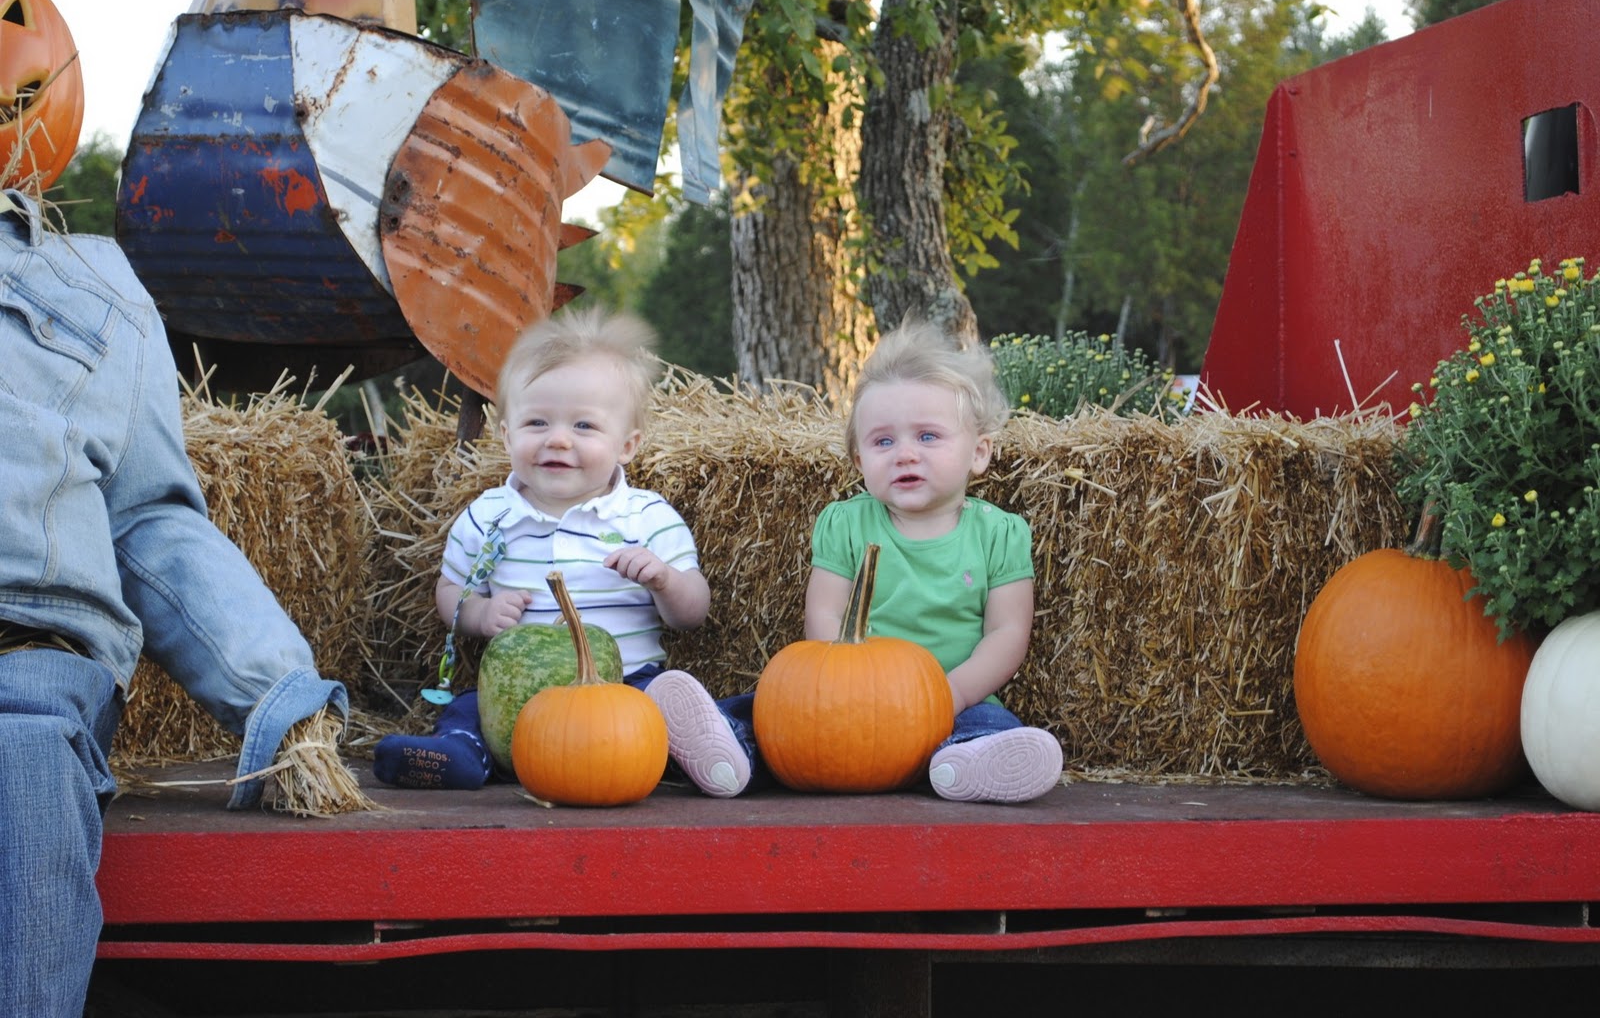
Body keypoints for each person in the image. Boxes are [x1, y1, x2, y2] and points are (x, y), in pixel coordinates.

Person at [0, 187, 352, 1018]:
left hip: (23, 658)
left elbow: (147, 521)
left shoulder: (86, 285)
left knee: (22, 764)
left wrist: (274, 691)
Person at [660, 321, 1064, 803]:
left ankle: (965, 763)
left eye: (928, 436)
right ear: (859, 461)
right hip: (848, 704)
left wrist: (949, 695)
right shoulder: (846, 524)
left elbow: (1007, 633)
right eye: (883, 442)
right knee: (770, 713)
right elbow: (824, 615)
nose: (905, 454)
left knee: (993, 726)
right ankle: (727, 747)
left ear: (979, 452)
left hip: (957, 700)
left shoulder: (999, 534)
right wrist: (840, 691)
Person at [373, 307, 724, 791]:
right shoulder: (489, 515)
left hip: (623, 689)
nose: (557, 440)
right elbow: (450, 590)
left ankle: (720, 741)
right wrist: (479, 613)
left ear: (627, 445)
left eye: (584, 426)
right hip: (520, 697)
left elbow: (693, 613)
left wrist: (664, 579)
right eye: (537, 422)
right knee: (468, 708)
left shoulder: (645, 517)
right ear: (506, 435)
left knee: (662, 704)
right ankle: (457, 753)